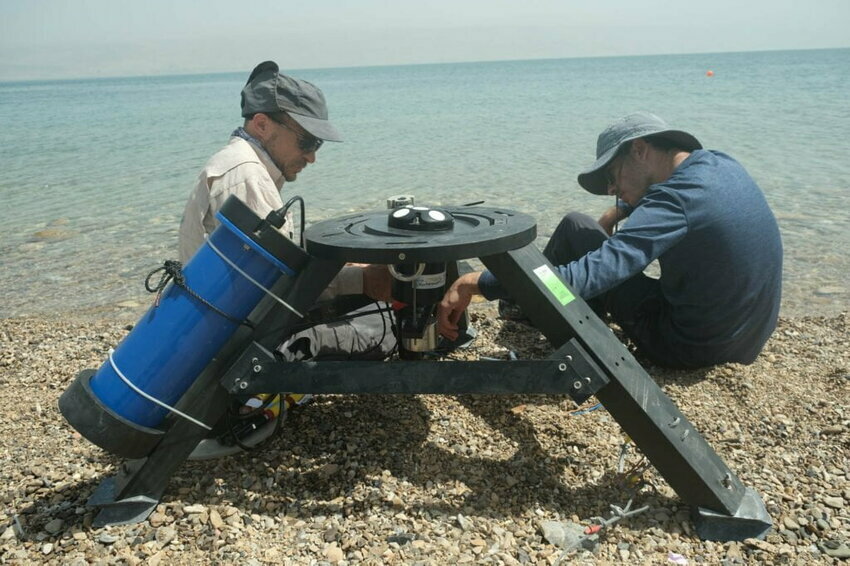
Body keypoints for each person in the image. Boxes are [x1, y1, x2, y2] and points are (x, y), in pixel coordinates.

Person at [439, 111, 782, 369]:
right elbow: (684, 208)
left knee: (574, 236)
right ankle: (528, 304)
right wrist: (617, 213)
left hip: (687, 348)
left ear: (639, 150)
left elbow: (586, 277)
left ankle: (524, 301)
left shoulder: (674, 201)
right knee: (584, 226)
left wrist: (480, 282)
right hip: (745, 340)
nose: (612, 190)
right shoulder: (720, 165)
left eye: (611, 177)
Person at [179, 61, 393, 458]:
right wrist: (361, 281)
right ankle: (252, 405)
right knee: (385, 325)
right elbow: (280, 293)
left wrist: (352, 277)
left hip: (218, 331)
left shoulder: (240, 165)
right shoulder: (248, 178)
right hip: (239, 345)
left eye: (318, 144)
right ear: (262, 125)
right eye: (307, 142)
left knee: (365, 298)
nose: (312, 157)